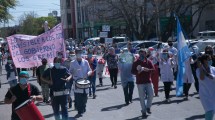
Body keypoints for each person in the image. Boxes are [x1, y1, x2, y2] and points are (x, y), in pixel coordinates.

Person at [131, 49, 155, 118]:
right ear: (139, 54)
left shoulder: (149, 61)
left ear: (145, 54)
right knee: (142, 97)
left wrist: (148, 70)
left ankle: (148, 107)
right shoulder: (136, 62)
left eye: (143, 53)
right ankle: (143, 111)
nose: (142, 55)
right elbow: (132, 71)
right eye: (140, 54)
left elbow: (153, 70)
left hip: (148, 81)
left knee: (151, 94)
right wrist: (138, 72)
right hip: (140, 82)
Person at [69, 49, 92, 116]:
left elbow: (90, 70)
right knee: (78, 97)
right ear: (76, 54)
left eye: (80, 53)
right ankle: (79, 110)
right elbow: (70, 72)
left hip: (85, 81)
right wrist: (74, 72)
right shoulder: (72, 62)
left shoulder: (86, 62)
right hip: (77, 82)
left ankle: (83, 106)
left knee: (85, 97)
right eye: (78, 53)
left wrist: (88, 73)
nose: (79, 54)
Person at [196, 54, 215, 120]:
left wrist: (207, 73)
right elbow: (201, 78)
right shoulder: (198, 70)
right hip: (205, 94)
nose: (210, 60)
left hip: (213, 93)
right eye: (209, 59)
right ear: (204, 61)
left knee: (212, 111)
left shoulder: (213, 69)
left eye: (211, 59)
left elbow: (212, 77)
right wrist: (201, 68)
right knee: (209, 111)